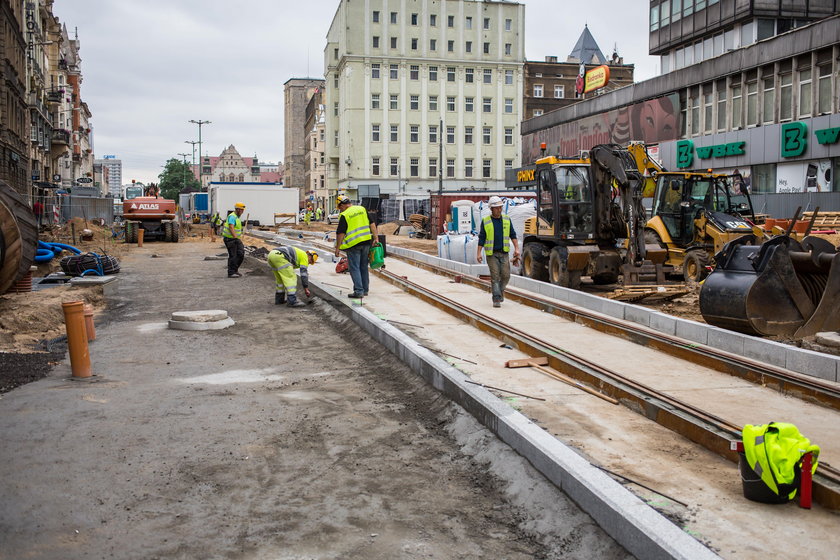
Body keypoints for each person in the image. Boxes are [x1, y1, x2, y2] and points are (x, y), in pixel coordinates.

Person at [476, 196, 520, 308]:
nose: (499, 210)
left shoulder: (506, 219)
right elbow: (482, 238)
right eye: (496, 208)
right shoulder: (486, 221)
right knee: (495, 276)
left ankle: (499, 292)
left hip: (504, 253)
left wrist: (517, 248)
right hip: (491, 254)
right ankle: (496, 298)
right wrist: (479, 253)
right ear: (491, 209)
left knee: (506, 276)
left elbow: (513, 234)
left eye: (500, 207)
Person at [334, 195, 379, 298]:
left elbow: (340, 233)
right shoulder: (362, 209)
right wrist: (376, 238)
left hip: (354, 245)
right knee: (363, 266)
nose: (340, 210)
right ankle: (365, 289)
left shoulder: (345, 215)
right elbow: (372, 224)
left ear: (342, 205)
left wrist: (337, 248)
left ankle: (359, 291)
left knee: (354, 268)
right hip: (366, 242)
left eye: (339, 207)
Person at [223, 203, 246, 278]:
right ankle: (231, 272)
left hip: (234, 239)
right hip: (230, 239)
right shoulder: (232, 216)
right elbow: (231, 227)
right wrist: (236, 238)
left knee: (240, 253)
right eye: (242, 210)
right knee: (233, 255)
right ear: (238, 209)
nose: (242, 212)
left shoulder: (236, 217)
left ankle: (235, 270)